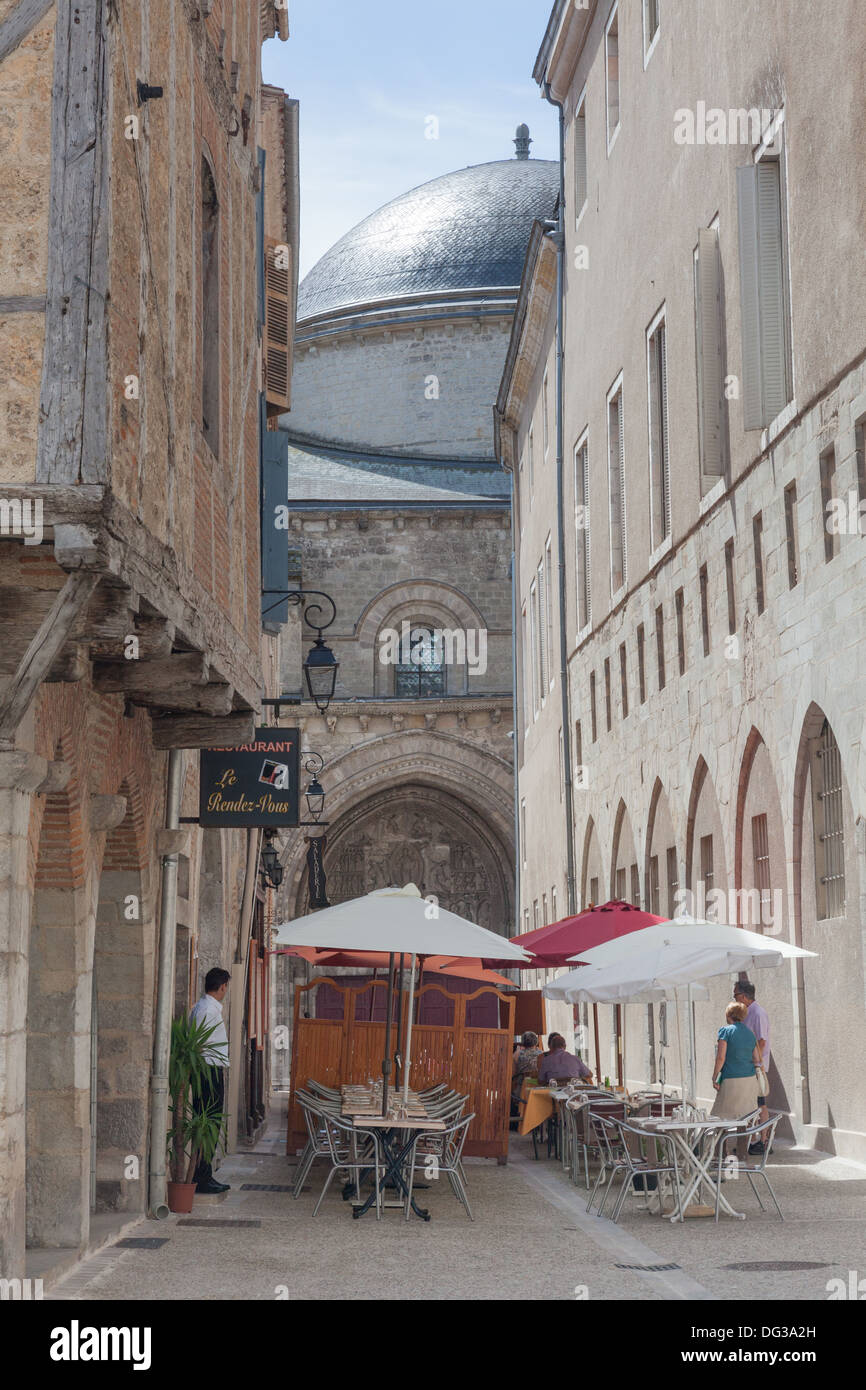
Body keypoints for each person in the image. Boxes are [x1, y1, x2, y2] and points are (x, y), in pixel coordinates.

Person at [189, 967, 231, 1194]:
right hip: (208, 1071)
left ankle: (204, 1174)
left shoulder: (206, 1008)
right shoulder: (206, 1010)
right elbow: (200, 1044)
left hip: (210, 1069)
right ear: (222, 986)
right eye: (226, 987)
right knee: (209, 1122)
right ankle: (201, 1177)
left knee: (212, 1122)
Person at [735, 980, 771, 1154]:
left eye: (735, 995)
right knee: (751, 1104)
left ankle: (763, 1142)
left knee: (760, 1103)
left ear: (744, 996)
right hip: (748, 1066)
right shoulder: (747, 1012)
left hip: (756, 1066)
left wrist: (750, 1059)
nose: (734, 999)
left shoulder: (757, 1013)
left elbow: (761, 1041)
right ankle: (753, 1139)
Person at [710, 1001, 762, 1119]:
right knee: (747, 1118)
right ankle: (748, 1138)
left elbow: (721, 1057)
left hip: (731, 1079)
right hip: (749, 1079)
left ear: (729, 1014)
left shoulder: (725, 1031)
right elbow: (757, 1058)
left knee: (720, 1117)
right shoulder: (750, 1033)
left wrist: (715, 1076)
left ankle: (723, 1138)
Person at [511, 1031, 542, 1105]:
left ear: (523, 1042)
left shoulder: (517, 1054)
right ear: (536, 1042)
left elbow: (512, 1073)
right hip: (539, 1087)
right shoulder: (542, 1055)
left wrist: (517, 1051)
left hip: (522, 1090)